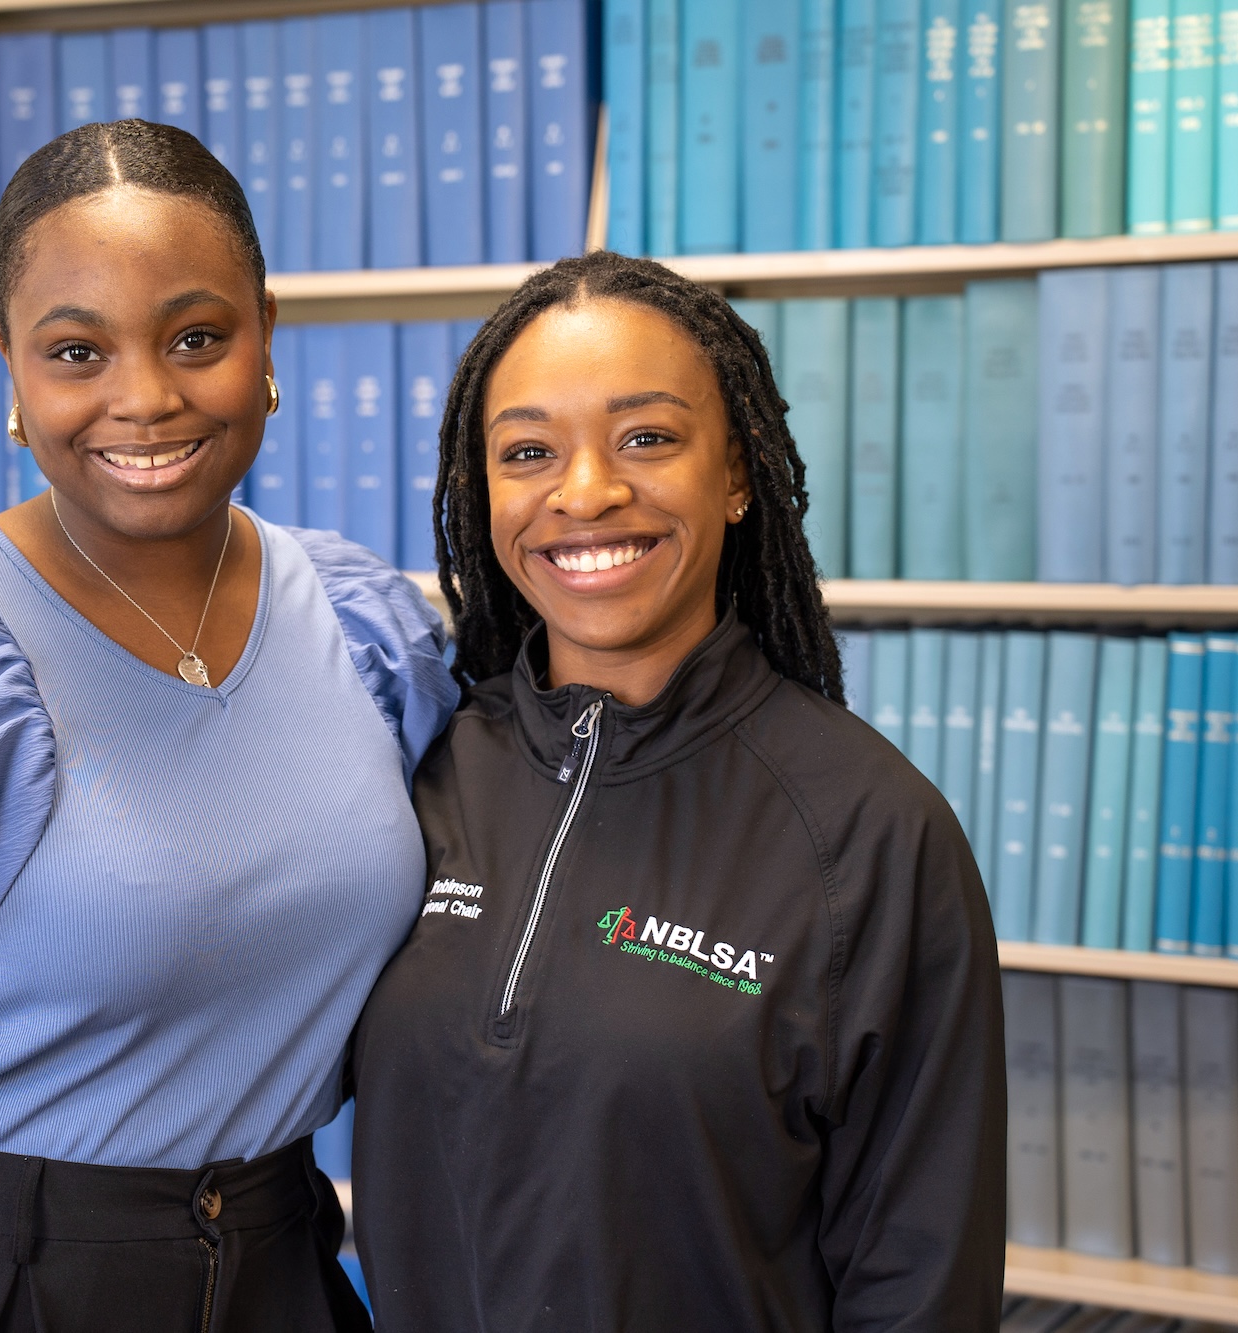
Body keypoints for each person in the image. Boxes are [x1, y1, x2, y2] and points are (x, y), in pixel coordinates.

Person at [0, 120, 456, 1333]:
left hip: (282, 1273)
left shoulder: (370, 628)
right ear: (9, 364)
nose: (144, 397)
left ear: (267, 334)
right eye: (75, 350)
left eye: (197, 337)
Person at [348, 250, 1005, 1330]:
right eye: (526, 451)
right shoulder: (422, 773)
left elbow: (919, 1281)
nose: (586, 492)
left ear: (737, 472)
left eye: (646, 437)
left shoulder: (868, 832)